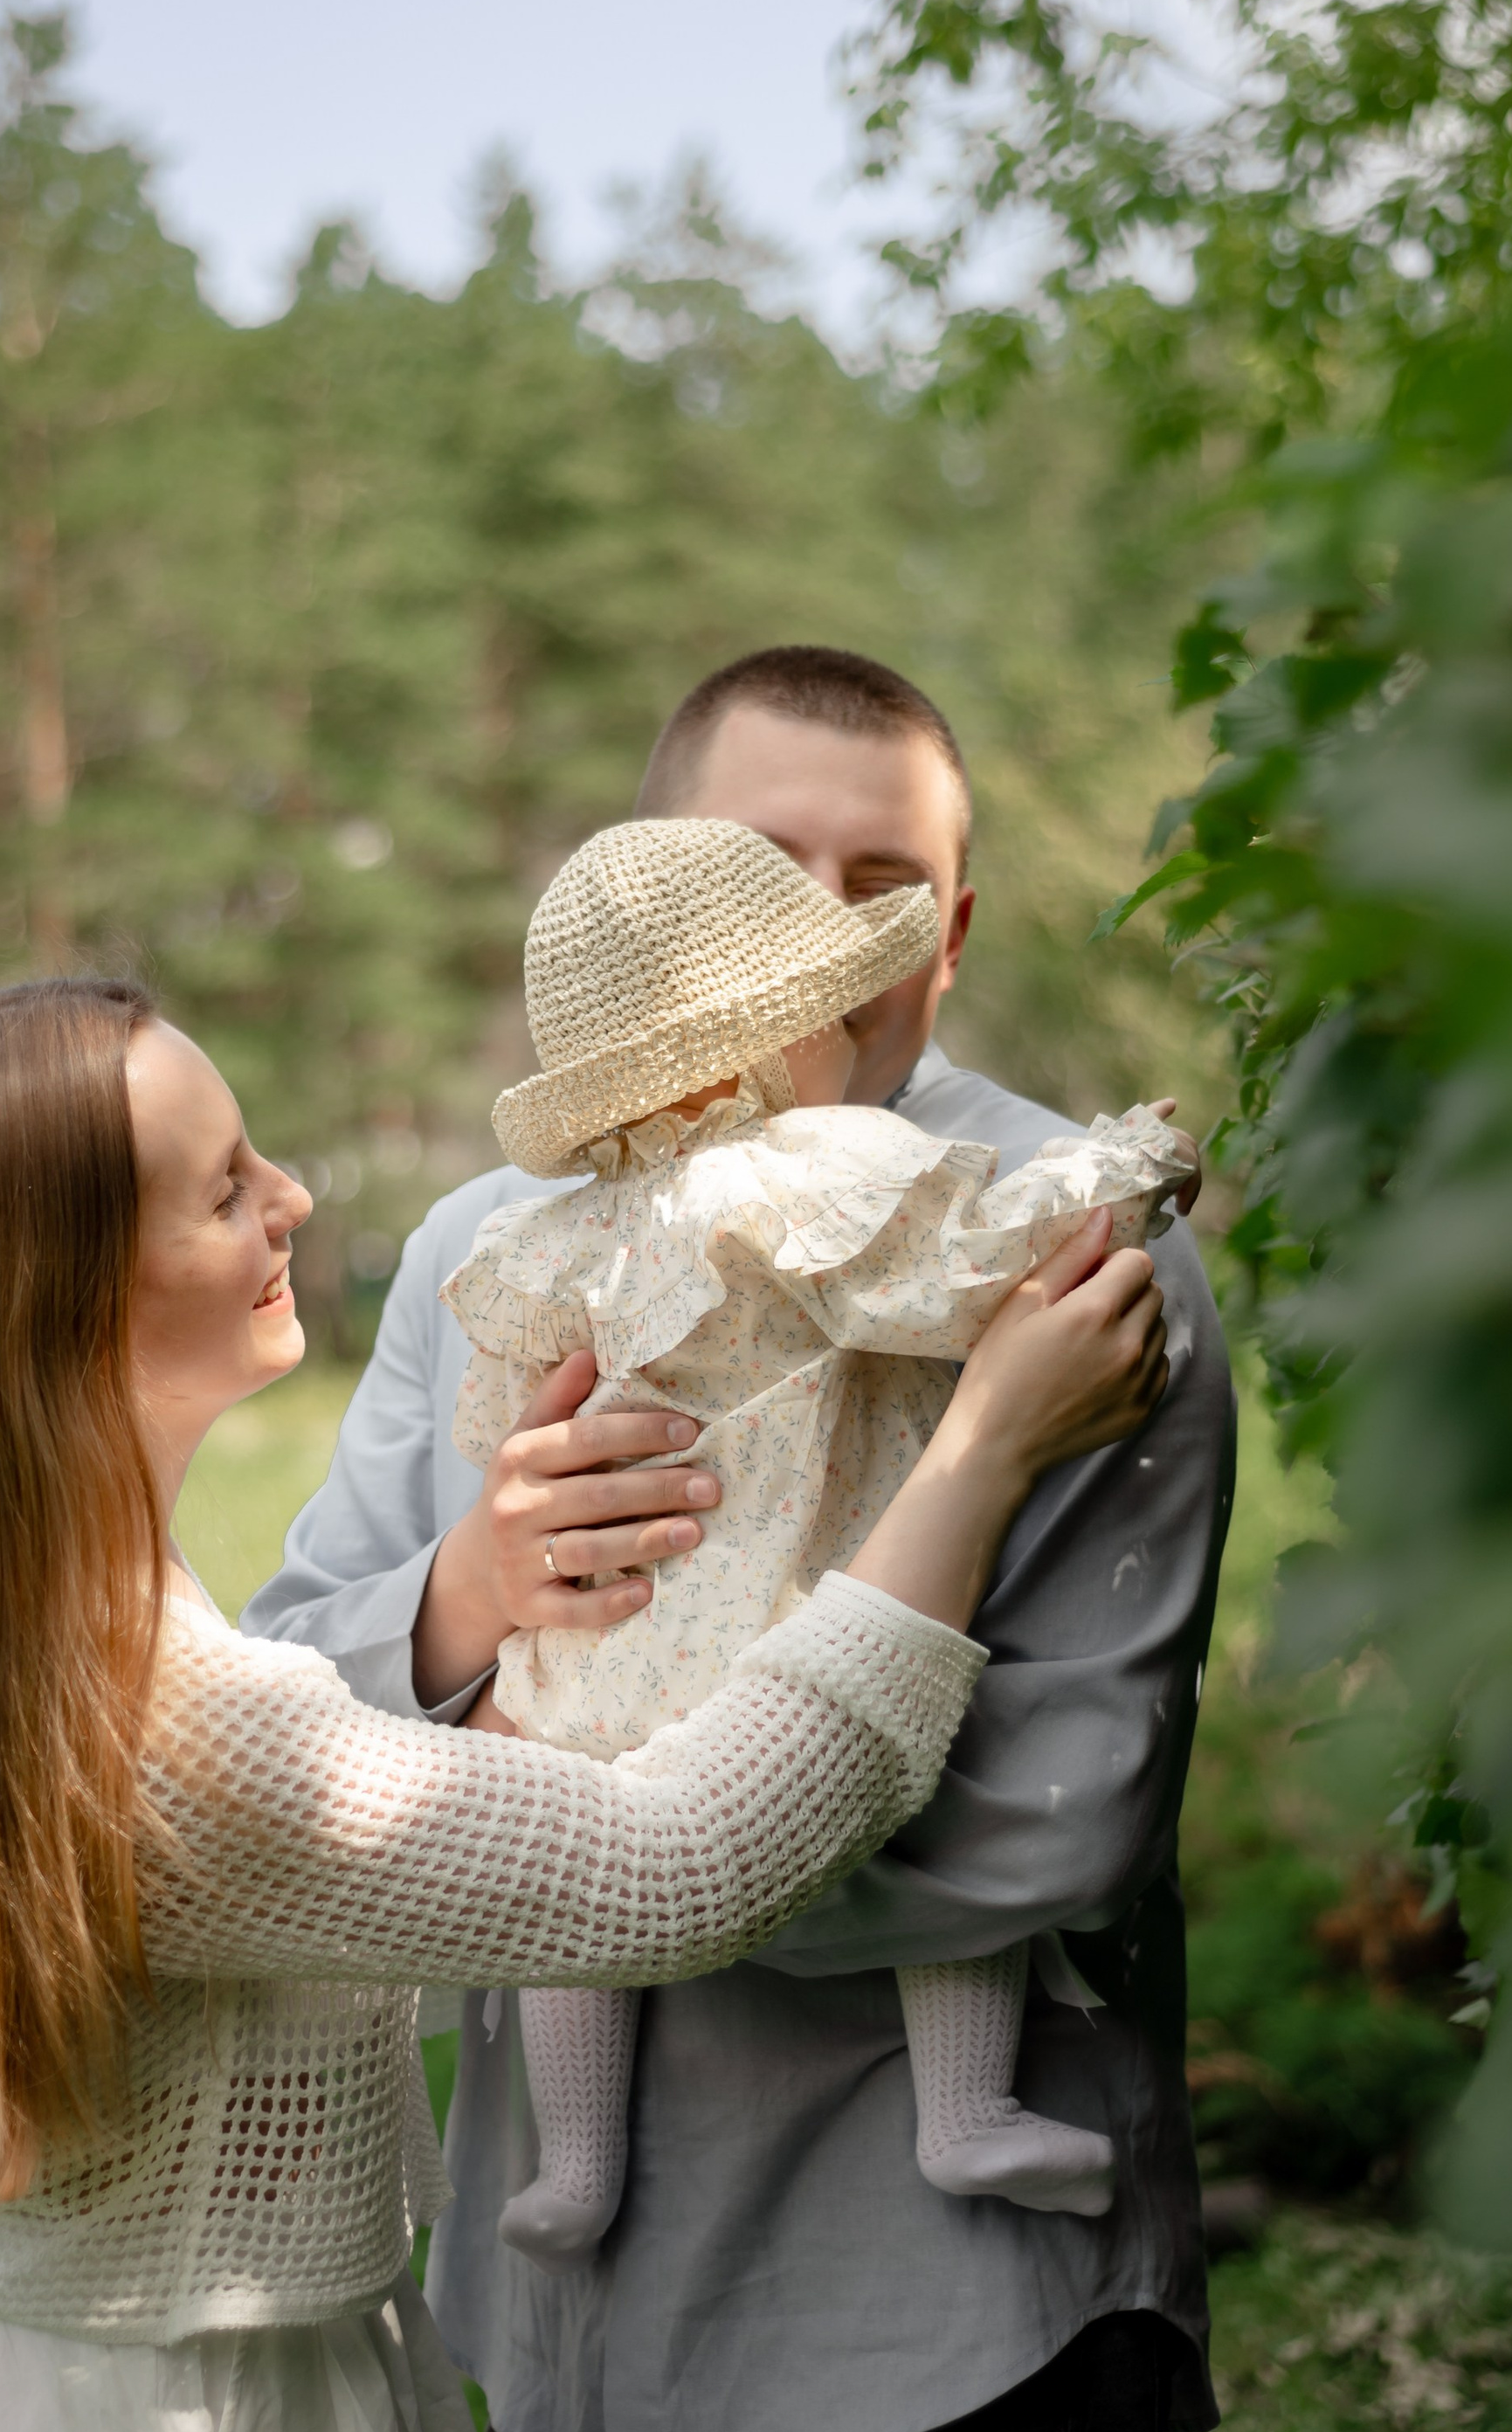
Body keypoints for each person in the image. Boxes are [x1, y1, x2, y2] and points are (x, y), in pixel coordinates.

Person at [0, 968, 1170, 2432]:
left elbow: (349, 1852)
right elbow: (677, 1868)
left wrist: (483, 1603)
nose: (293, 1203)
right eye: (219, 1184)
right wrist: (973, 1456)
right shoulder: (164, 1713)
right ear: (58, 1289)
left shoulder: (10, 1613)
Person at [245, 646, 1236, 2432]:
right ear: (653, 879)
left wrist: (564, 1840)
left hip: (948, 2310)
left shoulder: (1068, 1269)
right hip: (559, 2327)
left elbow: (1057, 1821)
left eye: (888, 880)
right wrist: (476, 1601)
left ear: (954, 930)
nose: (827, 927)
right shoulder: (503, 1256)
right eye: (770, 863)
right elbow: (299, 1691)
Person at [438, 813, 1202, 2263]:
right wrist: (1130, 1168)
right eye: (826, 1012)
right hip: (808, 1594)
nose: (854, 1034)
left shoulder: (576, 1224)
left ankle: (576, 2156)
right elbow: (976, 1259)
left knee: (573, 1844)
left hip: (633, 1613)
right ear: (753, 1058)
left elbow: (503, 1413)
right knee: (916, 1773)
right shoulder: (798, 1172)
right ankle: (965, 2111)